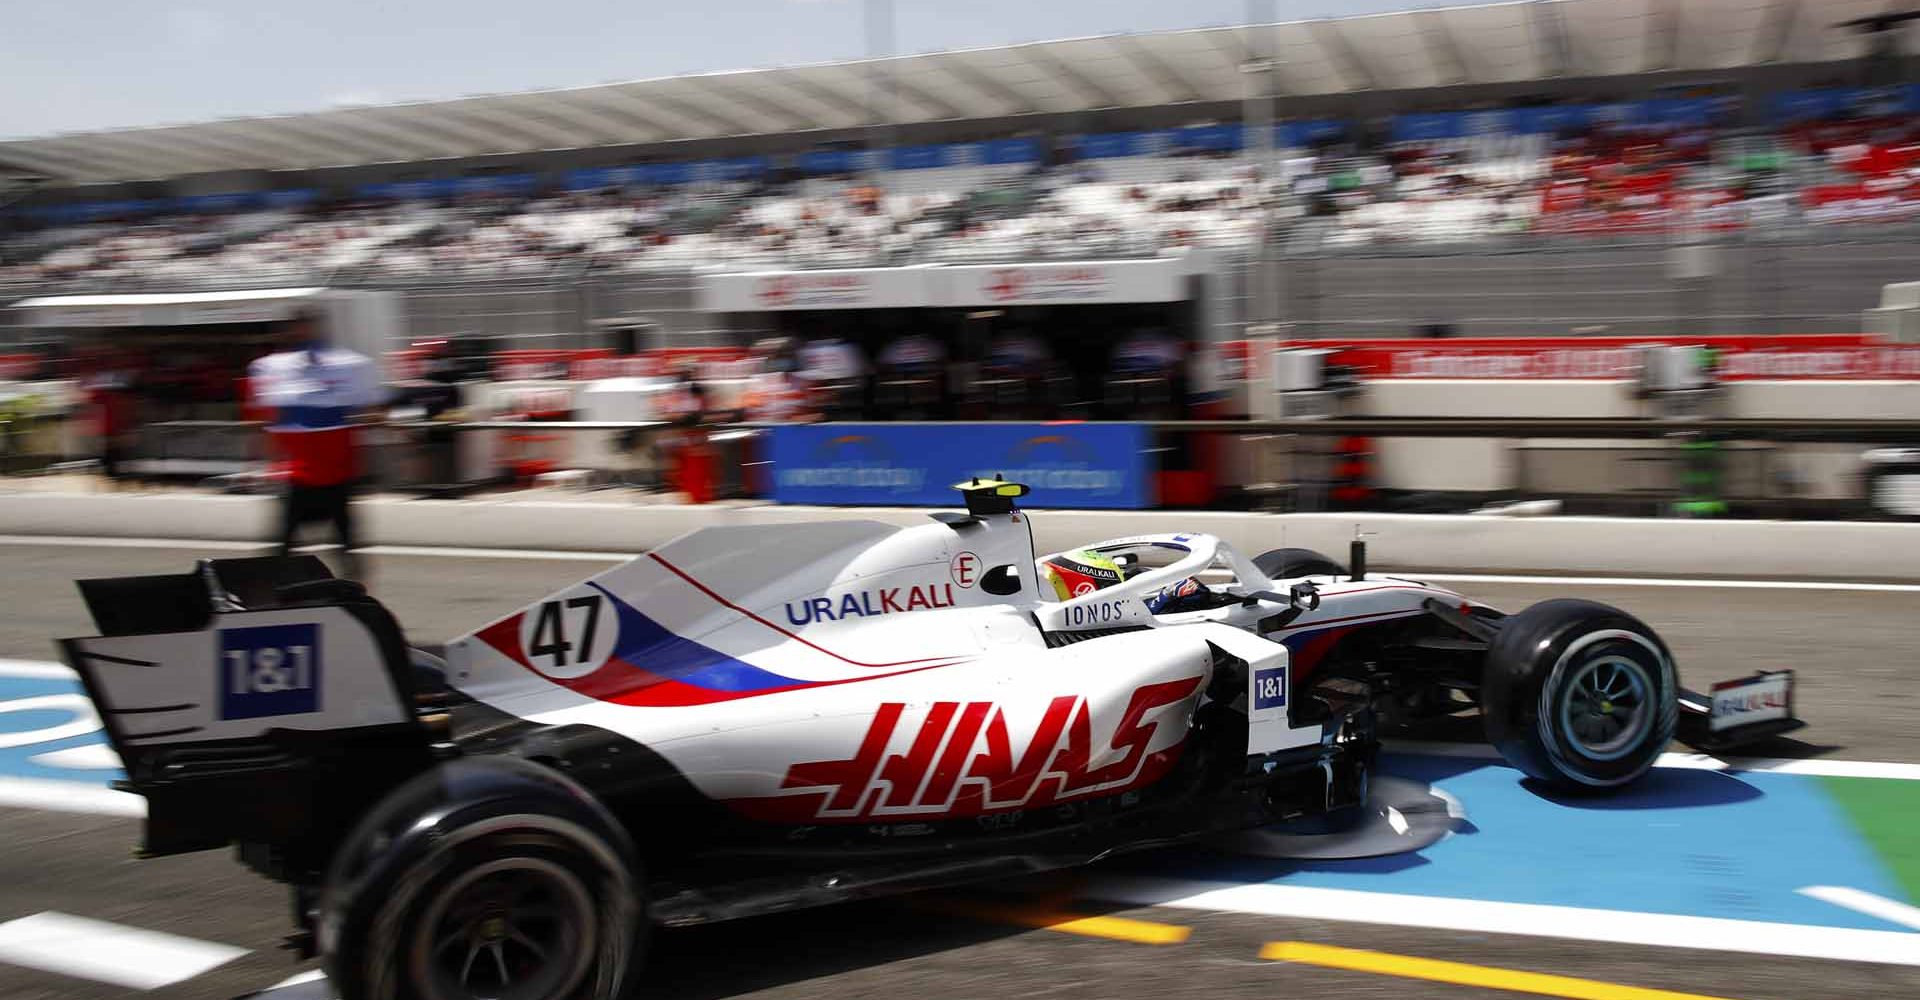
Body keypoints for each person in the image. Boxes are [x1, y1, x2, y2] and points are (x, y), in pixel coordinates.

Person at [248, 310, 383, 580]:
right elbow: (261, 421)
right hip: (296, 476)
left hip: (338, 474)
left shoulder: (349, 365)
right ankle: (271, 592)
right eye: (298, 327)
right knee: (282, 546)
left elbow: (373, 412)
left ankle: (354, 596)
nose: (302, 332)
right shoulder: (271, 368)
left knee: (346, 547)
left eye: (306, 326)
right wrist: (265, 462)